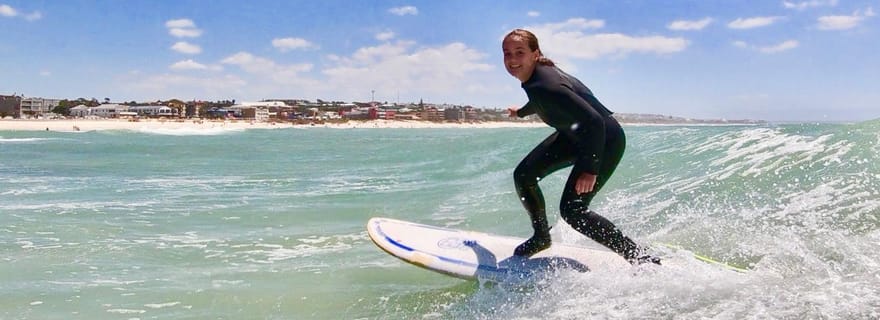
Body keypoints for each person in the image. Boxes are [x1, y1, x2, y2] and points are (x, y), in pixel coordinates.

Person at [501, 29, 659, 265]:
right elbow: (539, 101)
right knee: (524, 175)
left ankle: (639, 257)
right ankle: (541, 237)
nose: (512, 60)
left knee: (573, 210)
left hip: (604, 140)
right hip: (575, 135)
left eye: (519, 52)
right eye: (507, 53)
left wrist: (590, 168)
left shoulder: (548, 84)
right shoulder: (536, 79)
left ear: (535, 54)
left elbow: (595, 121)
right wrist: (520, 113)